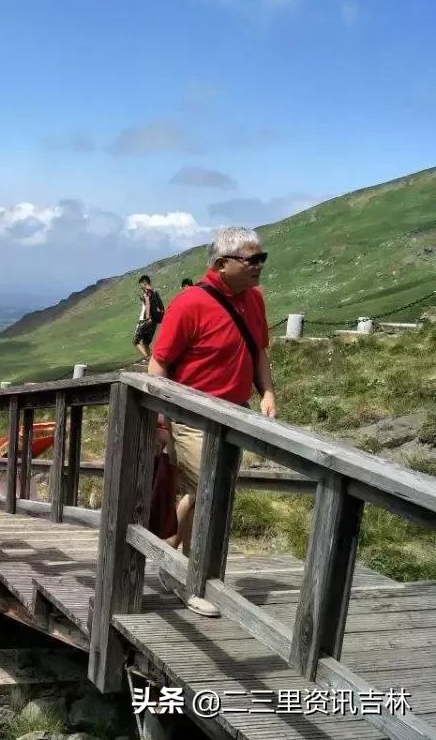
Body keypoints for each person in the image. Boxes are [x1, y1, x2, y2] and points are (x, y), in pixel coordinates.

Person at [149, 226, 275, 617]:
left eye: (261, 258)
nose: (259, 266)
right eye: (251, 260)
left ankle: (167, 550)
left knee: (201, 491)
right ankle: (193, 582)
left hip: (233, 414)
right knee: (210, 494)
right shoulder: (189, 304)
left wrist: (267, 392)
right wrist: (161, 421)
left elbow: (259, 352)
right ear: (222, 264)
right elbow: (158, 364)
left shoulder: (254, 299)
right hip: (193, 416)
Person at [132, 275, 165, 360]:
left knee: (135, 341)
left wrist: (147, 317)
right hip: (154, 322)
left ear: (145, 283)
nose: (141, 287)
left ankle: (148, 358)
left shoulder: (147, 292)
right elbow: (161, 307)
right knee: (146, 343)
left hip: (145, 320)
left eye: (141, 285)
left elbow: (148, 304)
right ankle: (151, 359)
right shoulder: (155, 292)